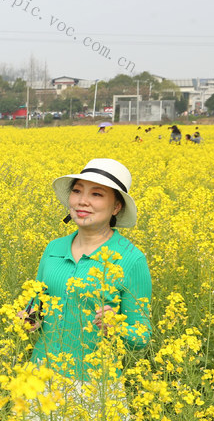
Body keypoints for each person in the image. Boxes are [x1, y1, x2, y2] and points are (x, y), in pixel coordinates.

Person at [22, 158, 152, 382]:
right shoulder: (53, 248)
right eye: (77, 191)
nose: (82, 201)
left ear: (117, 207)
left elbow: (142, 336)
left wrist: (117, 326)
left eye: (97, 194)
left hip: (94, 385)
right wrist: (27, 320)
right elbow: (36, 307)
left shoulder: (131, 259)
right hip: (39, 376)